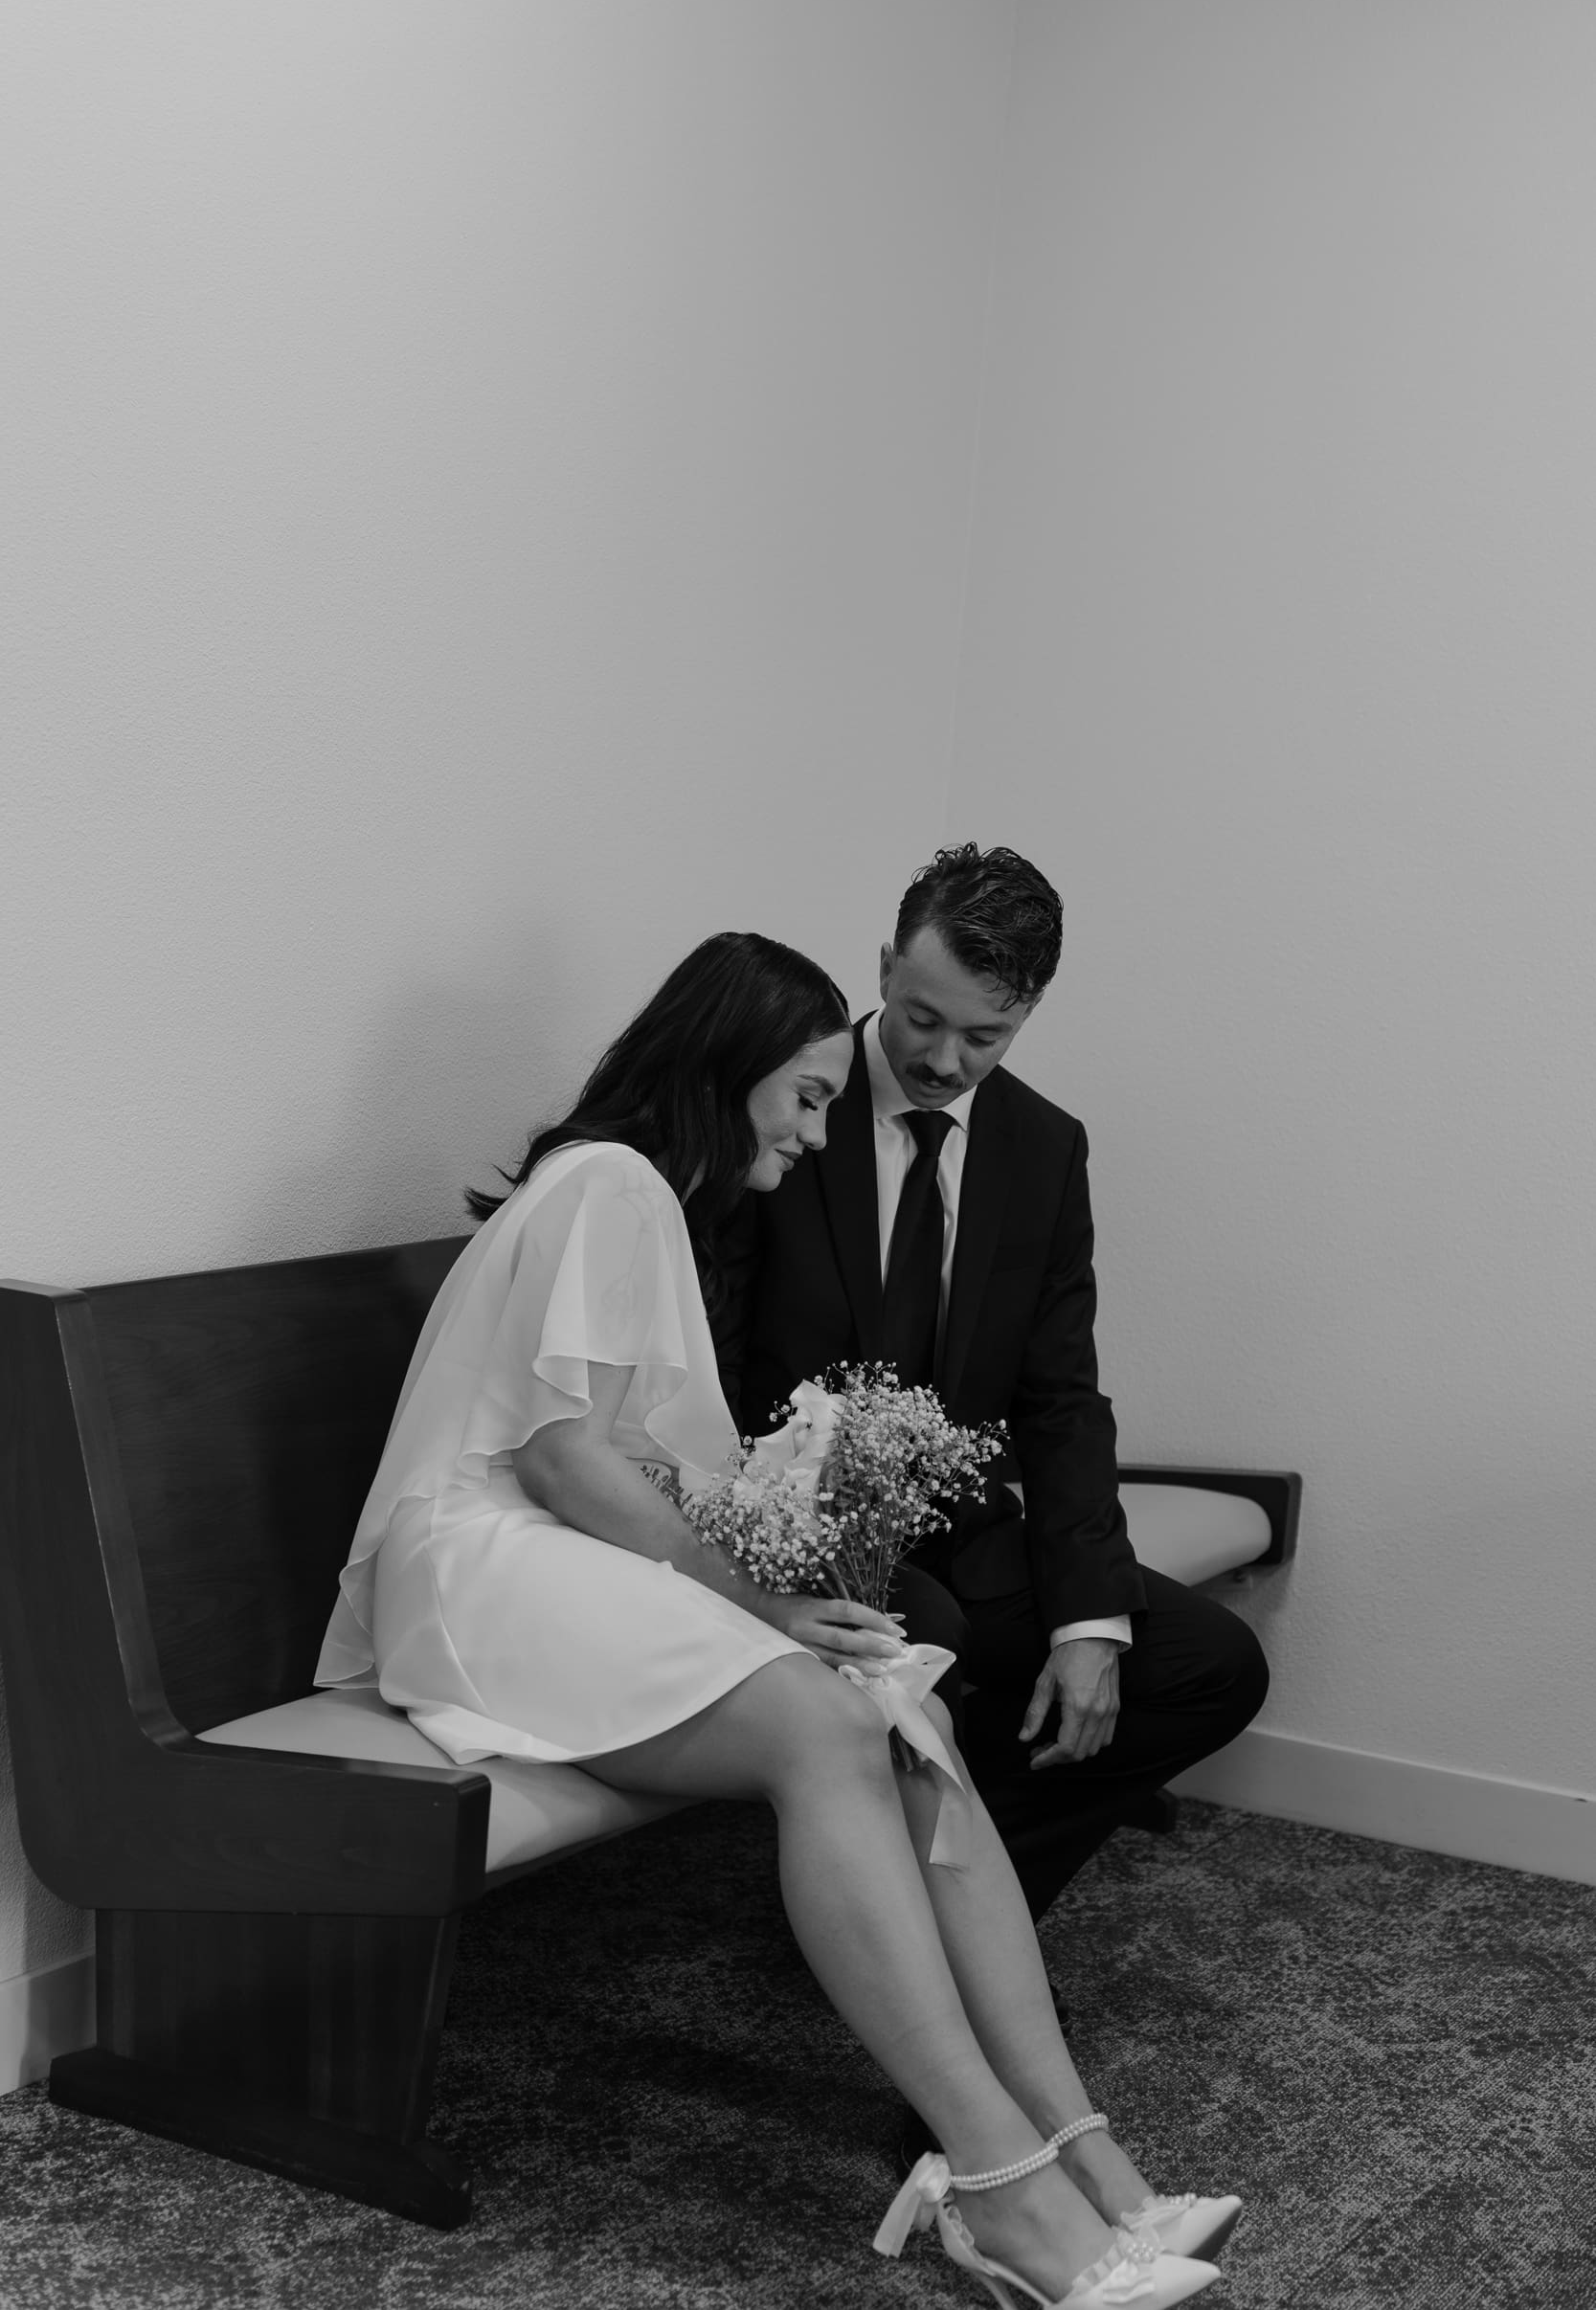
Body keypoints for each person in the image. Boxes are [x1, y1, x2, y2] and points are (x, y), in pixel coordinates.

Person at [317, 932, 1235, 2309]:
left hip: (550, 1557)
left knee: (905, 1706)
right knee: (828, 1715)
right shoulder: (612, 1183)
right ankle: (994, 2191)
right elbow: (565, 1458)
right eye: (805, 1096)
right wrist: (766, 1599)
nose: (820, 1129)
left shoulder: (638, 1201)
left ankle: (1087, 2156)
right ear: (725, 1071)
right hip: (478, 1569)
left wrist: (783, 1553)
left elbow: (627, 1464)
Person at [724, 848, 1270, 1934]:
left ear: (1029, 1011)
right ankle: (920, 1933)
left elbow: (1061, 1395)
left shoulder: (1041, 1146)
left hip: (962, 1531)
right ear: (884, 965)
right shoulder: (784, 1107)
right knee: (925, 1635)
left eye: (985, 1036)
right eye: (922, 1019)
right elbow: (707, 1344)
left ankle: (955, 1914)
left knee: (1209, 1667)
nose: (941, 1060)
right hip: (788, 1535)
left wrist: (1087, 1620)